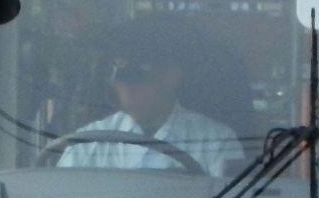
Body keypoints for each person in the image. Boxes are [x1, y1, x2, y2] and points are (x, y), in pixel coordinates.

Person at [56, 32, 243, 177]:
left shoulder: (216, 143)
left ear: (172, 75)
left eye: (137, 75)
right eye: (120, 77)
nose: (127, 87)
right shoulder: (86, 145)